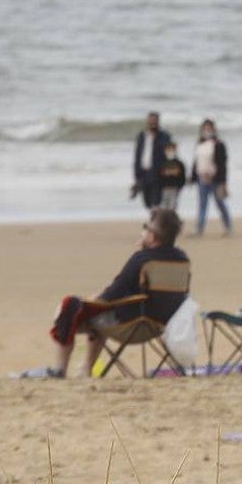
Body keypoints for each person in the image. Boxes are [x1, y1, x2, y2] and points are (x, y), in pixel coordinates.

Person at [41, 208, 188, 378]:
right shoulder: (182, 259)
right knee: (97, 314)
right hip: (161, 325)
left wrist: (94, 299)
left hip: (131, 324)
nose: (143, 231)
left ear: (153, 236)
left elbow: (113, 293)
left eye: (146, 228)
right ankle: (85, 369)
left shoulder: (142, 259)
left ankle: (60, 369)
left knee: (69, 305)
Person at [190, 118, 232, 236]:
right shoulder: (199, 144)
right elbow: (196, 162)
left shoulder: (219, 144)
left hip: (215, 179)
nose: (207, 131)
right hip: (201, 178)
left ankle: (228, 226)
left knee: (220, 203)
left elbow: (222, 164)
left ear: (213, 129)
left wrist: (223, 181)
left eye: (209, 128)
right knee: (202, 204)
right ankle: (199, 228)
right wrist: (192, 176)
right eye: (205, 128)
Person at [131, 112, 172, 209]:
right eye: (150, 121)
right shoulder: (141, 136)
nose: (152, 123)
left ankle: (156, 222)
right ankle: (154, 220)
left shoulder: (165, 136)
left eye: (155, 121)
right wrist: (136, 175)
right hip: (143, 174)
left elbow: (170, 156)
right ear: (147, 122)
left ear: (158, 122)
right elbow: (137, 156)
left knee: (156, 202)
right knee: (147, 203)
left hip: (157, 174)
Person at [157, 141, 186, 211]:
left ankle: (171, 220)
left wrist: (179, 186)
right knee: (163, 206)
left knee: (172, 206)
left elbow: (183, 177)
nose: (170, 151)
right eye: (168, 149)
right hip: (164, 188)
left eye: (172, 149)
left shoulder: (179, 163)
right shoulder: (162, 163)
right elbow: (158, 176)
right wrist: (160, 186)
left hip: (174, 188)